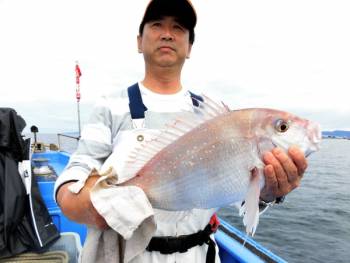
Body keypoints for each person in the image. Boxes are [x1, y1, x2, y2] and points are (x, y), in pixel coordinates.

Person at [55, 0, 308, 262]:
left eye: (178, 27)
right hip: (129, 254)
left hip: (198, 254)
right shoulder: (109, 106)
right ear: (139, 42)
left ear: (189, 47)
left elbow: (235, 192)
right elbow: (73, 177)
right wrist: (90, 205)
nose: (167, 33)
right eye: (156, 25)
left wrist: (267, 193)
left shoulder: (215, 113)